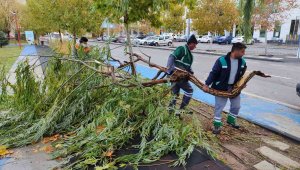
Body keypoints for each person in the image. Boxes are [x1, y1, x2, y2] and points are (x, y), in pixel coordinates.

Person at [203, 42, 247, 134]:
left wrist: (242, 84)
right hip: (221, 87)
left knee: (236, 106)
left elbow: (243, 74)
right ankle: (217, 126)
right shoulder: (222, 60)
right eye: (242, 52)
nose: (244, 54)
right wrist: (207, 84)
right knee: (219, 107)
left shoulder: (242, 62)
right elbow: (213, 73)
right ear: (236, 51)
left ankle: (231, 120)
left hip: (234, 88)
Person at [166, 34, 198, 117]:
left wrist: (191, 72)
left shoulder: (189, 55)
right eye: (194, 45)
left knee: (175, 94)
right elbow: (171, 57)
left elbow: (187, 66)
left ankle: (170, 111)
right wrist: (169, 70)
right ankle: (180, 111)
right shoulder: (182, 49)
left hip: (181, 76)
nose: (195, 47)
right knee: (189, 91)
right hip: (177, 76)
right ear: (191, 43)